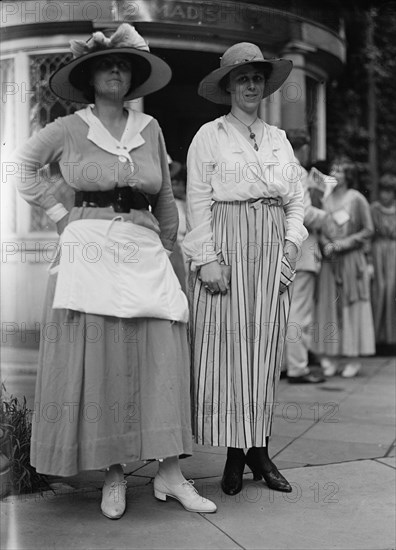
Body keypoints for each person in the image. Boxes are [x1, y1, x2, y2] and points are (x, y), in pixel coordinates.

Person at [12, 23, 216, 519]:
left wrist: (172, 254)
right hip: (90, 249)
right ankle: (115, 472)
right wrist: (60, 216)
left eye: (124, 65)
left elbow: (165, 196)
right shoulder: (68, 128)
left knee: (162, 352)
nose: (116, 71)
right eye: (108, 63)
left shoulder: (150, 129)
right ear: (90, 76)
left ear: (133, 78)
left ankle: (170, 472)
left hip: (144, 246)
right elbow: (21, 165)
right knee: (106, 359)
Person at [183, 42, 307, 496]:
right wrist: (208, 260)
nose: (251, 84)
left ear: (265, 85)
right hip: (229, 248)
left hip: (271, 247)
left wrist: (290, 248)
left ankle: (260, 449)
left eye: (257, 77)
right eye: (242, 78)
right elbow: (197, 202)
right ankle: (237, 455)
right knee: (231, 355)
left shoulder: (277, 139)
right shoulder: (210, 136)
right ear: (228, 86)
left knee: (265, 351)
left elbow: (297, 201)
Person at [312, 156, 375, 377]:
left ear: (348, 175)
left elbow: (368, 230)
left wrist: (342, 244)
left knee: (351, 308)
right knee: (329, 307)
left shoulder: (356, 198)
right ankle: (329, 356)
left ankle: (352, 357)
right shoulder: (326, 199)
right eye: (333, 170)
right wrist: (326, 244)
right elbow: (320, 228)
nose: (335, 174)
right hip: (330, 262)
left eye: (339, 171)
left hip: (350, 260)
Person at [283, 130, 326, 384]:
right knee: (299, 312)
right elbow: (306, 213)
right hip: (303, 248)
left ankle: (285, 365)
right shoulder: (298, 173)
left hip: (281, 248)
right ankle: (298, 367)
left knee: (284, 311)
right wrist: (326, 215)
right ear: (303, 148)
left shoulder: (276, 169)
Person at [370, 173, 396, 347]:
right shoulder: (374, 209)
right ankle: (377, 338)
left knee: (392, 290)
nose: (385, 195)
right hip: (378, 251)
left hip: (394, 251)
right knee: (379, 290)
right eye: (383, 191)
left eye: (389, 191)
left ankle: (391, 338)